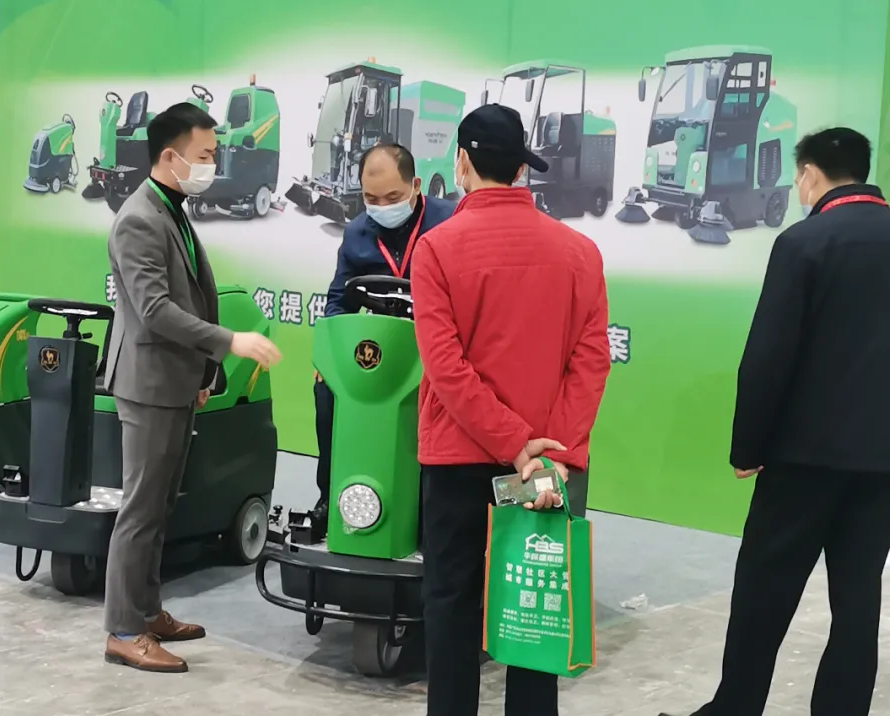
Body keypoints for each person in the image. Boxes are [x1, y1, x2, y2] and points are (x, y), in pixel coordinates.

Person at [660, 128, 890, 716]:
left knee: (764, 591)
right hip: (881, 465)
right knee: (858, 603)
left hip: (802, 460)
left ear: (810, 174)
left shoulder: (804, 242)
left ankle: (735, 707)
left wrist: (748, 448)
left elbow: (769, 355)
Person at [410, 104, 611, 716]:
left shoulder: (435, 249)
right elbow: (591, 361)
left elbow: (446, 368)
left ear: (461, 162)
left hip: (457, 457)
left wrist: (512, 441)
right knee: (535, 609)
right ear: (522, 168)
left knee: (451, 605)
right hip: (545, 465)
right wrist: (550, 452)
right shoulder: (580, 251)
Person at [101, 102, 281, 673]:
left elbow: (192, 296)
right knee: (140, 511)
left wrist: (204, 373)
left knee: (159, 507)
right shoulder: (139, 218)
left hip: (176, 380)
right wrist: (230, 342)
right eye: (205, 155)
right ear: (169, 156)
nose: (212, 164)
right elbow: (155, 311)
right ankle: (123, 630)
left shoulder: (171, 208)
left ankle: (146, 610)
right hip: (149, 383)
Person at [311, 143, 455, 527]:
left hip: (436, 352)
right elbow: (338, 301)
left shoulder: (450, 222)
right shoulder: (357, 233)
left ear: (416, 186)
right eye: (371, 199)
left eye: (392, 198)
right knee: (326, 393)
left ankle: (428, 508)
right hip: (379, 351)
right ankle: (330, 493)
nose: (382, 206)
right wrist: (328, 358)